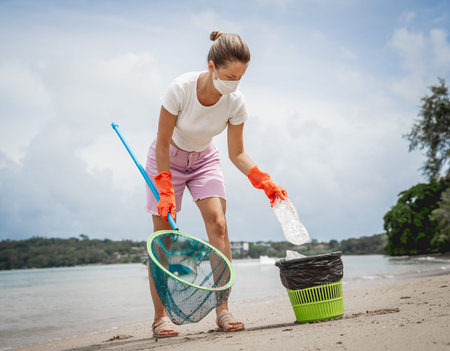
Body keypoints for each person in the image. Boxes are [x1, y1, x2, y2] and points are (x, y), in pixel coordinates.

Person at [145, 30, 288, 338]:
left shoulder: (235, 102)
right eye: (228, 76)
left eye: (240, 78)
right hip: (165, 160)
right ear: (211, 66)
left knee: (219, 225)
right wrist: (166, 187)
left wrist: (264, 180)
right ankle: (160, 317)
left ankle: (223, 309)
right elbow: (162, 142)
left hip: (204, 160)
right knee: (164, 238)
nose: (233, 84)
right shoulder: (180, 89)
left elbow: (237, 153)